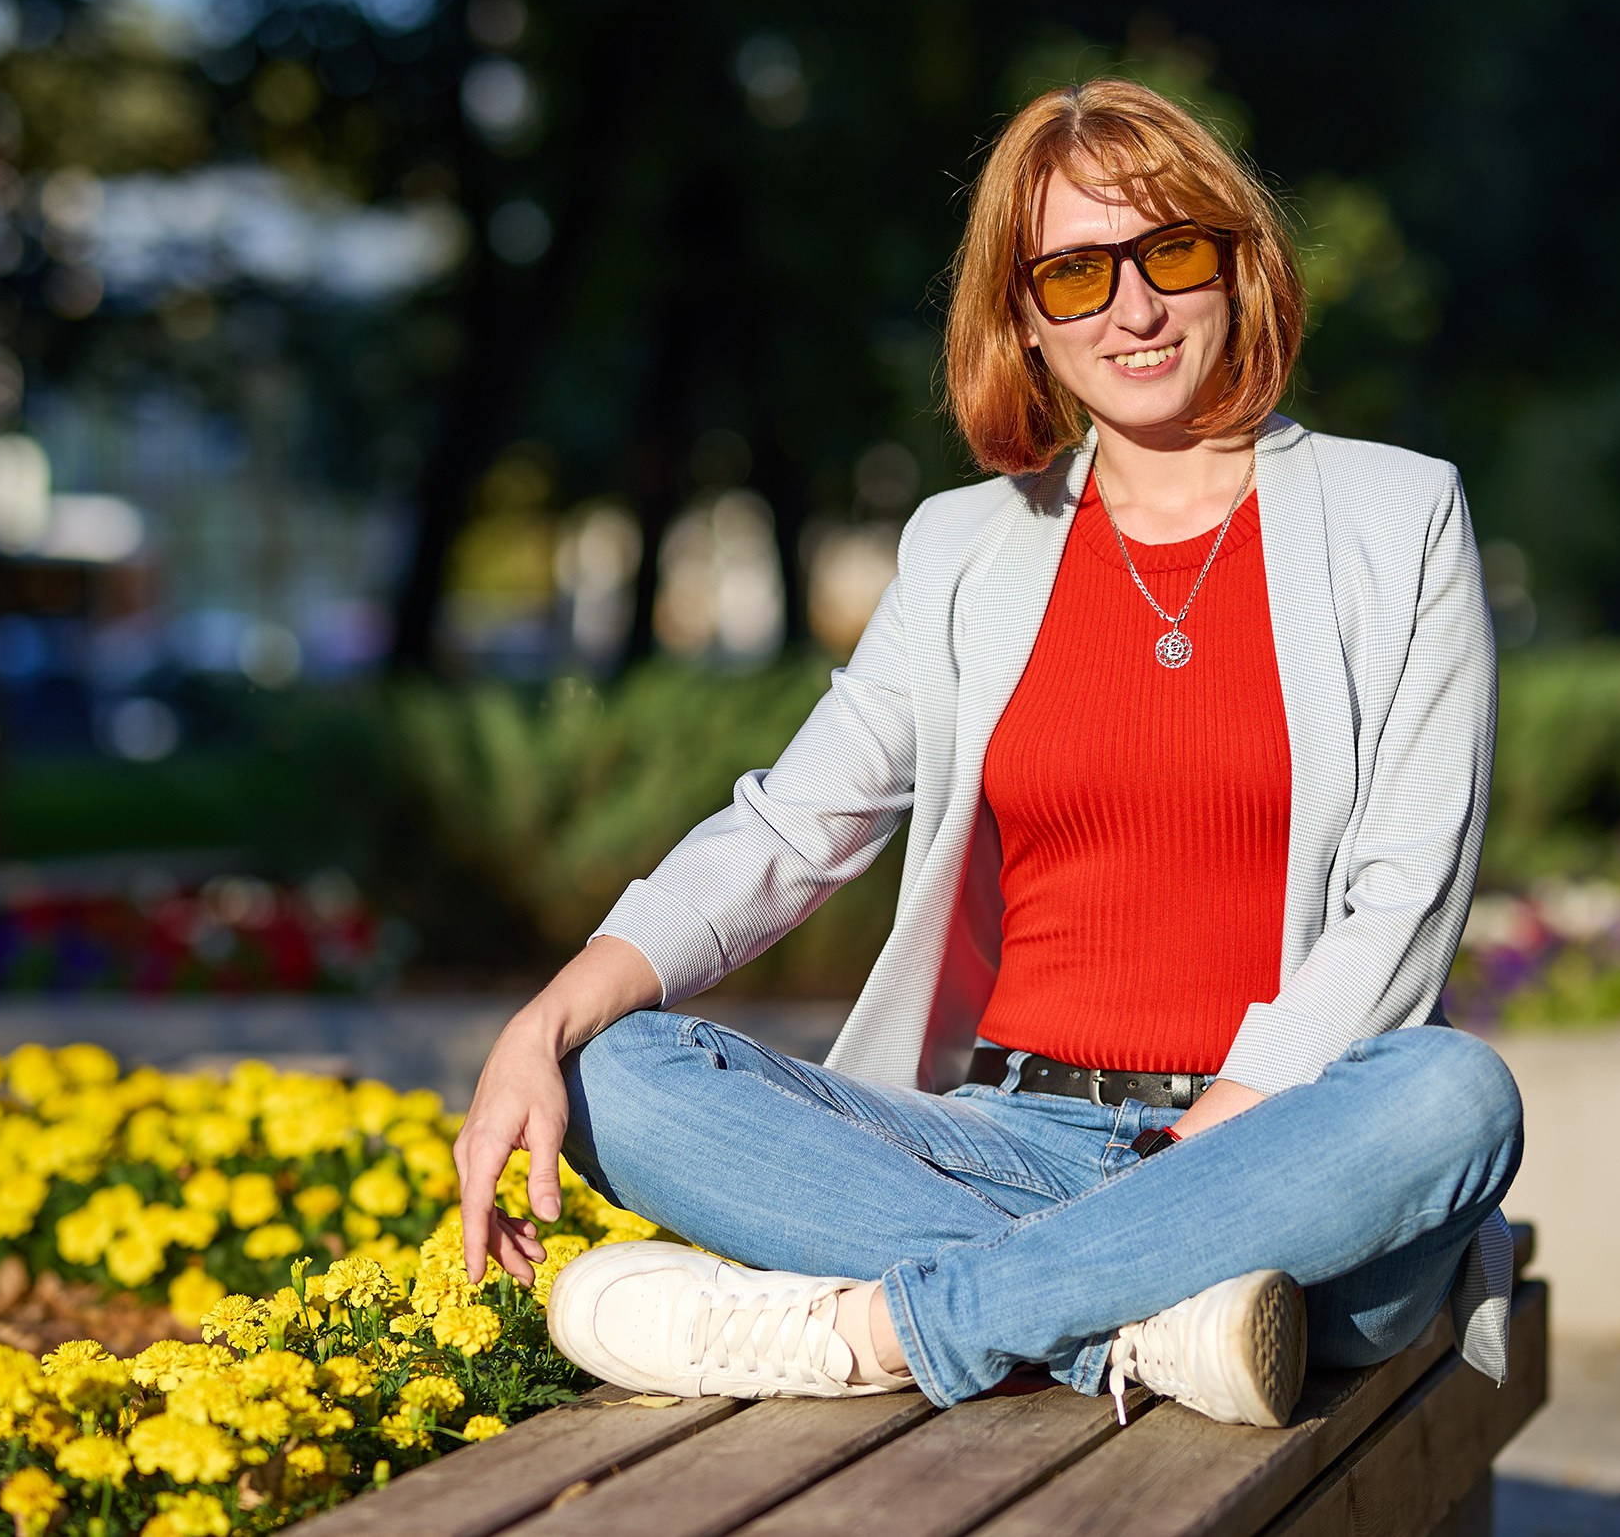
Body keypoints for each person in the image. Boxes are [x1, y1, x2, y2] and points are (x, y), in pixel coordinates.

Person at [450, 77, 1523, 1428]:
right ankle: (1145, 1319)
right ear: (1023, 315)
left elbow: (1407, 888)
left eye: (1169, 254)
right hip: (1006, 1142)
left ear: (1236, 264)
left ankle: (878, 1330)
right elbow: (794, 828)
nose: (1132, 310)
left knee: (1452, 1095)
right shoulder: (966, 546)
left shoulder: (1397, 514)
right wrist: (542, 1021)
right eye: (1075, 274)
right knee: (616, 1076)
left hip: (1279, 1163)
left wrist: (1216, 1144)